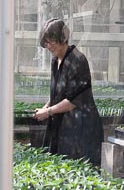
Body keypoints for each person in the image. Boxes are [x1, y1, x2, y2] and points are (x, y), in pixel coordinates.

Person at [33, 18, 104, 166]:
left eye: (51, 41)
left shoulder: (77, 60)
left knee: (78, 168)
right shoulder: (55, 61)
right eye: (46, 42)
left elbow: (73, 100)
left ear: (62, 38)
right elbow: (58, 93)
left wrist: (48, 112)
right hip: (62, 125)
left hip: (80, 127)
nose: (48, 46)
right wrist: (46, 107)